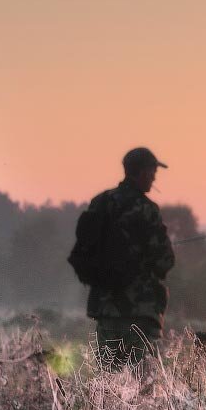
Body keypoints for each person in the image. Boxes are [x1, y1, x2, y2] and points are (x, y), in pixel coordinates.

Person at [77, 147, 175, 368]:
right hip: (140, 312)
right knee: (140, 385)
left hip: (106, 310)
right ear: (140, 172)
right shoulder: (147, 209)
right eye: (152, 172)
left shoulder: (100, 203)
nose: (154, 177)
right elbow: (165, 262)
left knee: (109, 382)